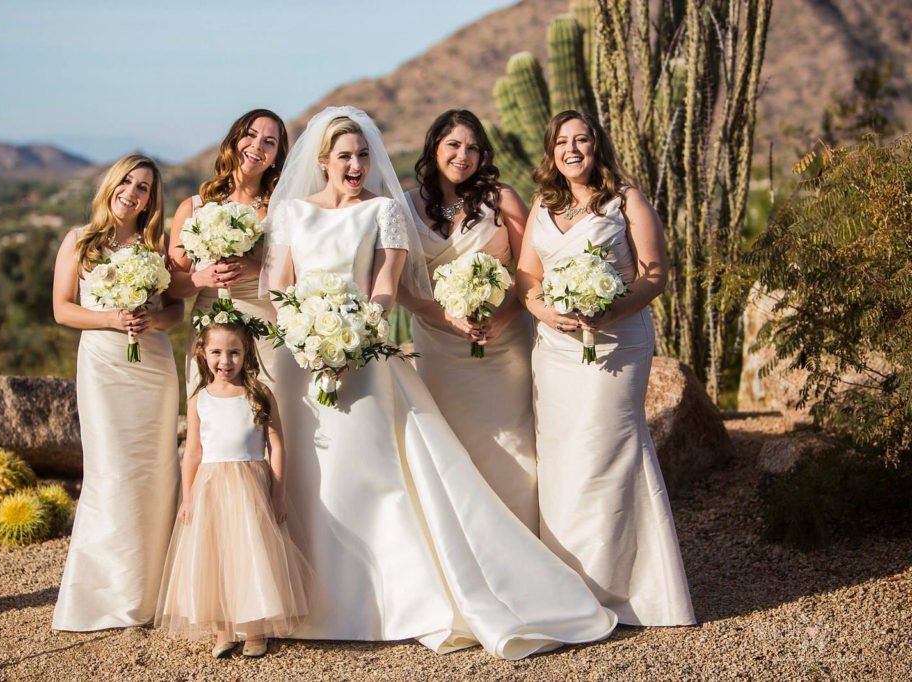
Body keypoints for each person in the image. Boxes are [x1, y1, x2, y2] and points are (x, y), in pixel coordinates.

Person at [262, 106, 617, 660]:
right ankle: (308, 602)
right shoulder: (292, 215)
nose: (355, 164)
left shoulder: (385, 211)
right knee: (313, 474)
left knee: (373, 477)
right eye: (344, 156)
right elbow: (281, 288)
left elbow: (384, 287)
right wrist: (308, 341)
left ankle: (384, 604)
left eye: (362, 155)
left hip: (365, 353)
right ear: (324, 162)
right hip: (303, 362)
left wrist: (353, 337)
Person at [516, 110, 695, 626]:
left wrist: (607, 310)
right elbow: (528, 274)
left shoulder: (625, 200)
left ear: (597, 146)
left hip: (617, 345)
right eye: (563, 142)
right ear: (551, 152)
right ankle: (572, 587)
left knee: (607, 452)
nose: (573, 149)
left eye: (583, 139)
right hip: (555, 351)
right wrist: (542, 309)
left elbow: (654, 274)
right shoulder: (543, 205)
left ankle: (626, 591)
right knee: (563, 458)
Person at [51, 154, 181, 630]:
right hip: (105, 367)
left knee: (155, 471)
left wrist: (151, 320)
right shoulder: (80, 242)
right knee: (111, 470)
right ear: (111, 185)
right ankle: (108, 595)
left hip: (153, 367)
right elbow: (62, 309)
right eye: (127, 181)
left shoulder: (155, 246)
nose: (133, 192)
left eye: (144, 187)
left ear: (152, 200)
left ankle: (154, 594)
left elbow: (175, 314)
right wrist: (111, 318)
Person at [401, 109, 538, 531]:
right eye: (454, 145)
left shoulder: (503, 199)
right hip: (438, 347)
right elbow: (401, 285)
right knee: (452, 447)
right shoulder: (404, 206)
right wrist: (442, 314)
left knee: (514, 449)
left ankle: (526, 548)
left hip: (503, 344)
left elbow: (531, 270)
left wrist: (502, 317)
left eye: (473, 148)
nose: (464, 155)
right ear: (434, 148)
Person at [154, 315, 309, 659]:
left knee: (252, 553)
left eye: (234, 353)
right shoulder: (199, 399)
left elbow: (277, 446)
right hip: (210, 488)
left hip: (249, 484)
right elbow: (192, 453)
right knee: (217, 555)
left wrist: (278, 492)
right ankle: (224, 629)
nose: (226, 361)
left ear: (247, 352)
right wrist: (187, 498)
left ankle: (254, 629)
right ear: (203, 353)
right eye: (217, 353)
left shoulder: (258, 394)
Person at [167, 109, 290, 394]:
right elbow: (172, 287)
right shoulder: (194, 208)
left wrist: (257, 271)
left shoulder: (280, 211)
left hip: (265, 326)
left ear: (276, 158)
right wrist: (202, 278)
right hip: (210, 329)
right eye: (250, 135)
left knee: (268, 415)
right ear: (234, 140)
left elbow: (296, 276)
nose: (257, 146)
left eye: (269, 142)